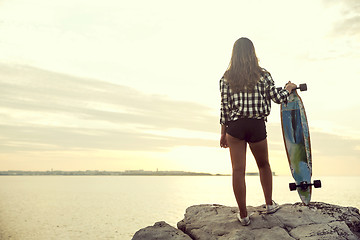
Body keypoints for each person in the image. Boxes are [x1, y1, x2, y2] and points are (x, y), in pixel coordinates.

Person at [219, 37, 297, 226]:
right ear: (252, 53)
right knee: (264, 165)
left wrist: (222, 133)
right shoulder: (263, 75)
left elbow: (224, 108)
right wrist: (288, 89)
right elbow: (277, 98)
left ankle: (244, 216)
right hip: (256, 125)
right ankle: (269, 204)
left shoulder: (226, 78)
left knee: (238, 170)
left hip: (235, 127)